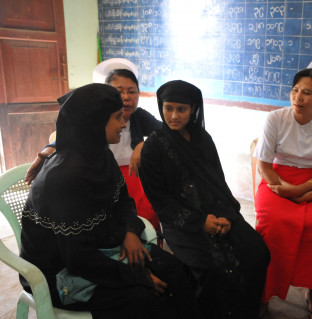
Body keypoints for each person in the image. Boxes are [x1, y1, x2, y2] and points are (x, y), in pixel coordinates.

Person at [19, 83, 200, 319]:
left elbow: (122, 200)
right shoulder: (63, 180)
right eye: (116, 117)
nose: (124, 124)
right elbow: (77, 259)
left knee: (175, 270)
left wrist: (130, 232)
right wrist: (139, 277)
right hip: (59, 272)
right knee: (143, 297)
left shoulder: (99, 155)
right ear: (93, 123)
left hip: (100, 248)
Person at [139, 80, 270, 319]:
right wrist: (200, 222)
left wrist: (227, 216)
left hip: (219, 211)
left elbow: (218, 183)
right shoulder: (153, 148)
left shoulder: (203, 139)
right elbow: (160, 201)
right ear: (161, 107)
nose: (174, 116)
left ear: (193, 110)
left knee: (256, 252)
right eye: (168, 108)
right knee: (214, 270)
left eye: (182, 109)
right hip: (179, 221)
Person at [25, 58, 162, 230]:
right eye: (119, 91)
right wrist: (47, 152)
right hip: (102, 177)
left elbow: (164, 131)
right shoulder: (95, 119)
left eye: (132, 91)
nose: (126, 97)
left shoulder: (139, 117)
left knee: (146, 215)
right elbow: (69, 136)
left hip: (134, 178)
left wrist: (144, 145)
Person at [253, 58, 312, 319]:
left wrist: (301, 190)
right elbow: (264, 165)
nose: (298, 97)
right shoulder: (275, 119)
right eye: (295, 90)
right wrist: (289, 190)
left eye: (307, 92)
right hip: (275, 180)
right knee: (273, 225)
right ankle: (264, 293)